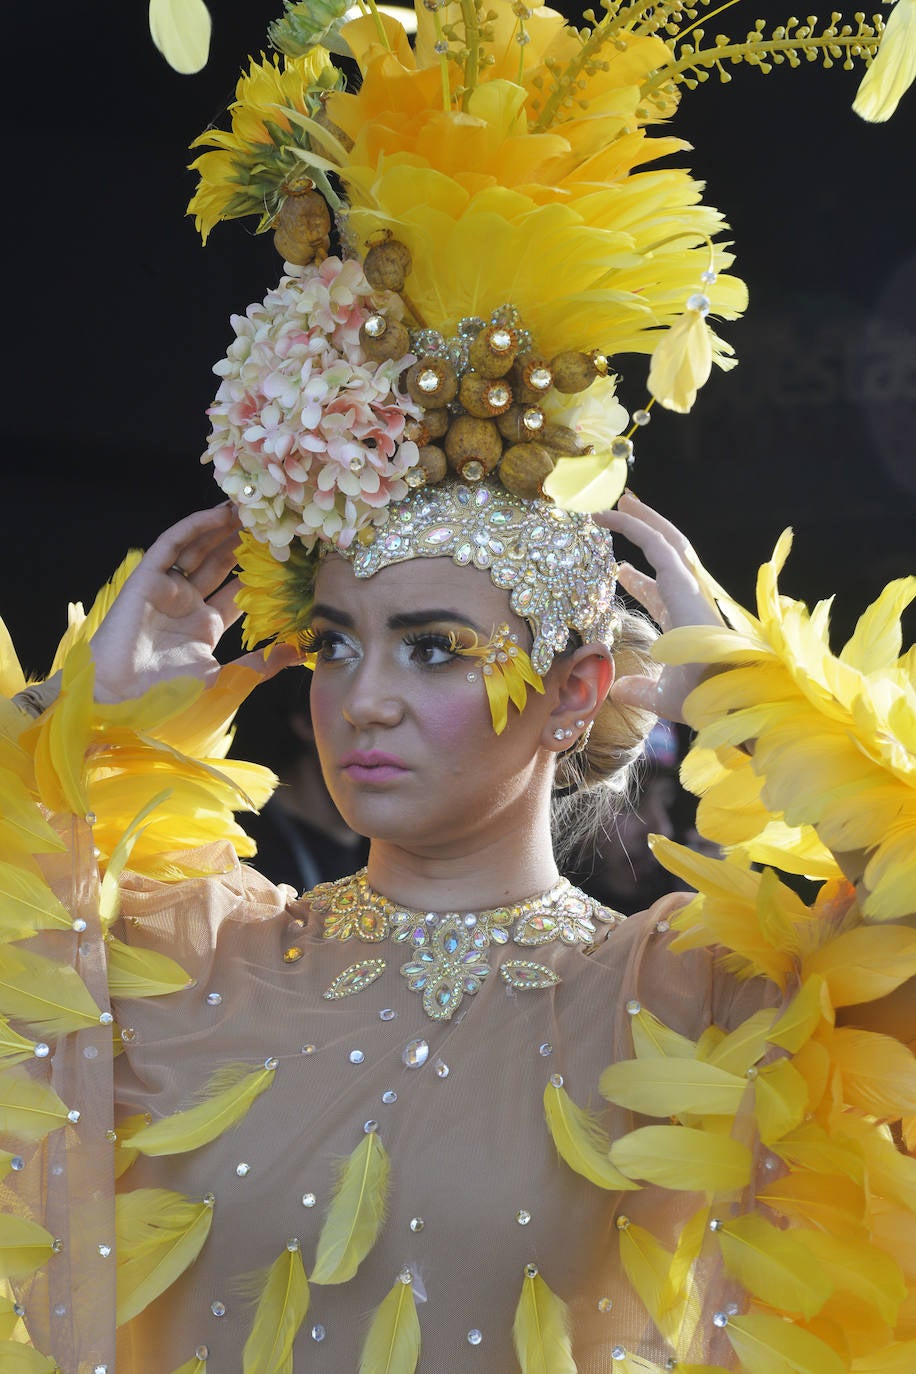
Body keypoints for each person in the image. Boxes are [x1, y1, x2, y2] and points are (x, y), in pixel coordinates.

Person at [1, 6, 913, 1372]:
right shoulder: (194, 954)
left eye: (432, 645)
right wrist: (69, 719)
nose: (360, 697)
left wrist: (763, 702)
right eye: (338, 642)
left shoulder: (675, 992)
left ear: (574, 692)